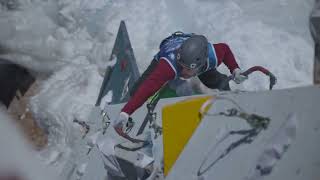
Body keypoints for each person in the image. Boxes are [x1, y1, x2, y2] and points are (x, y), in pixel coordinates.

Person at [112, 32, 247, 132]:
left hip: (194, 53)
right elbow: (148, 87)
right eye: (181, 66)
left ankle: (232, 103)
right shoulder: (169, 65)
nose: (182, 72)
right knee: (139, 89)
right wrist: (126, 112)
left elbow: (226, 49)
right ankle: (127, 110)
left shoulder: (214, 55)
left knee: (216, 81)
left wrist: (235, 70)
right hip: (169, 50)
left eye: (187, 69)